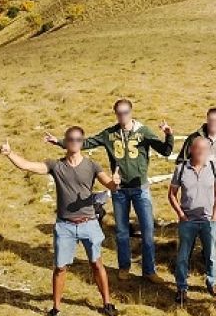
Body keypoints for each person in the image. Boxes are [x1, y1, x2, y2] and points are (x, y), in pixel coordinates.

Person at [0, 128, 120, 316]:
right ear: (65, 142)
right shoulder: (56, 166)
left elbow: (110, 185)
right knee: (60, 268)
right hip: (65, 226)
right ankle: (55, 308)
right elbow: (28, 166)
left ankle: (107, 303)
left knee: (97, 264)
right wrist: (9, 154)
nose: (74, 143)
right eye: (71, 139)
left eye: (78, 140)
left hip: (89, 223)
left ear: (82, 142)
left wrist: (115, 182)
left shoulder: (91, 166)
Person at [50, 100, 174, 280]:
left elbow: (165, 151)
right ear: (115, 114)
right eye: (119, 113)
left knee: (147, 231)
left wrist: (169, 135)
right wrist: (60, 142)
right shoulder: (109, 134)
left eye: (125, 112)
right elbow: (86, 142)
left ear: (131, 112)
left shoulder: (144, 131)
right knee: (122, 231)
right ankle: (124, 267)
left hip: (141, 189)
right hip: (119, 190)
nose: (122, 116)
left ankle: (149, 270)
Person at [168, 135, 216, 304]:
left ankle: (211, 282)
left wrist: (215, 216)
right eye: (197, 148)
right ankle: (181, 287)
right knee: (183, 255)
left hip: (208, 220)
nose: (200, 152)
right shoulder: (181, 169)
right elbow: (172, 194)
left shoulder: (214, 167)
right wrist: (181, 215)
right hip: (188, 221)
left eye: (204, 149)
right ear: (191, 150)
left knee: (211, 255)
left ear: (208, 151)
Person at [176, 106, 216, 242]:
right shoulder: (195, 138)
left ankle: (210, 251)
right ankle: (187, 250)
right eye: (211, 120)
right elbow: (181, 159)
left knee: (214, 219)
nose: (213, 124)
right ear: (207, 120)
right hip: (197, 186)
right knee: (191, 221)